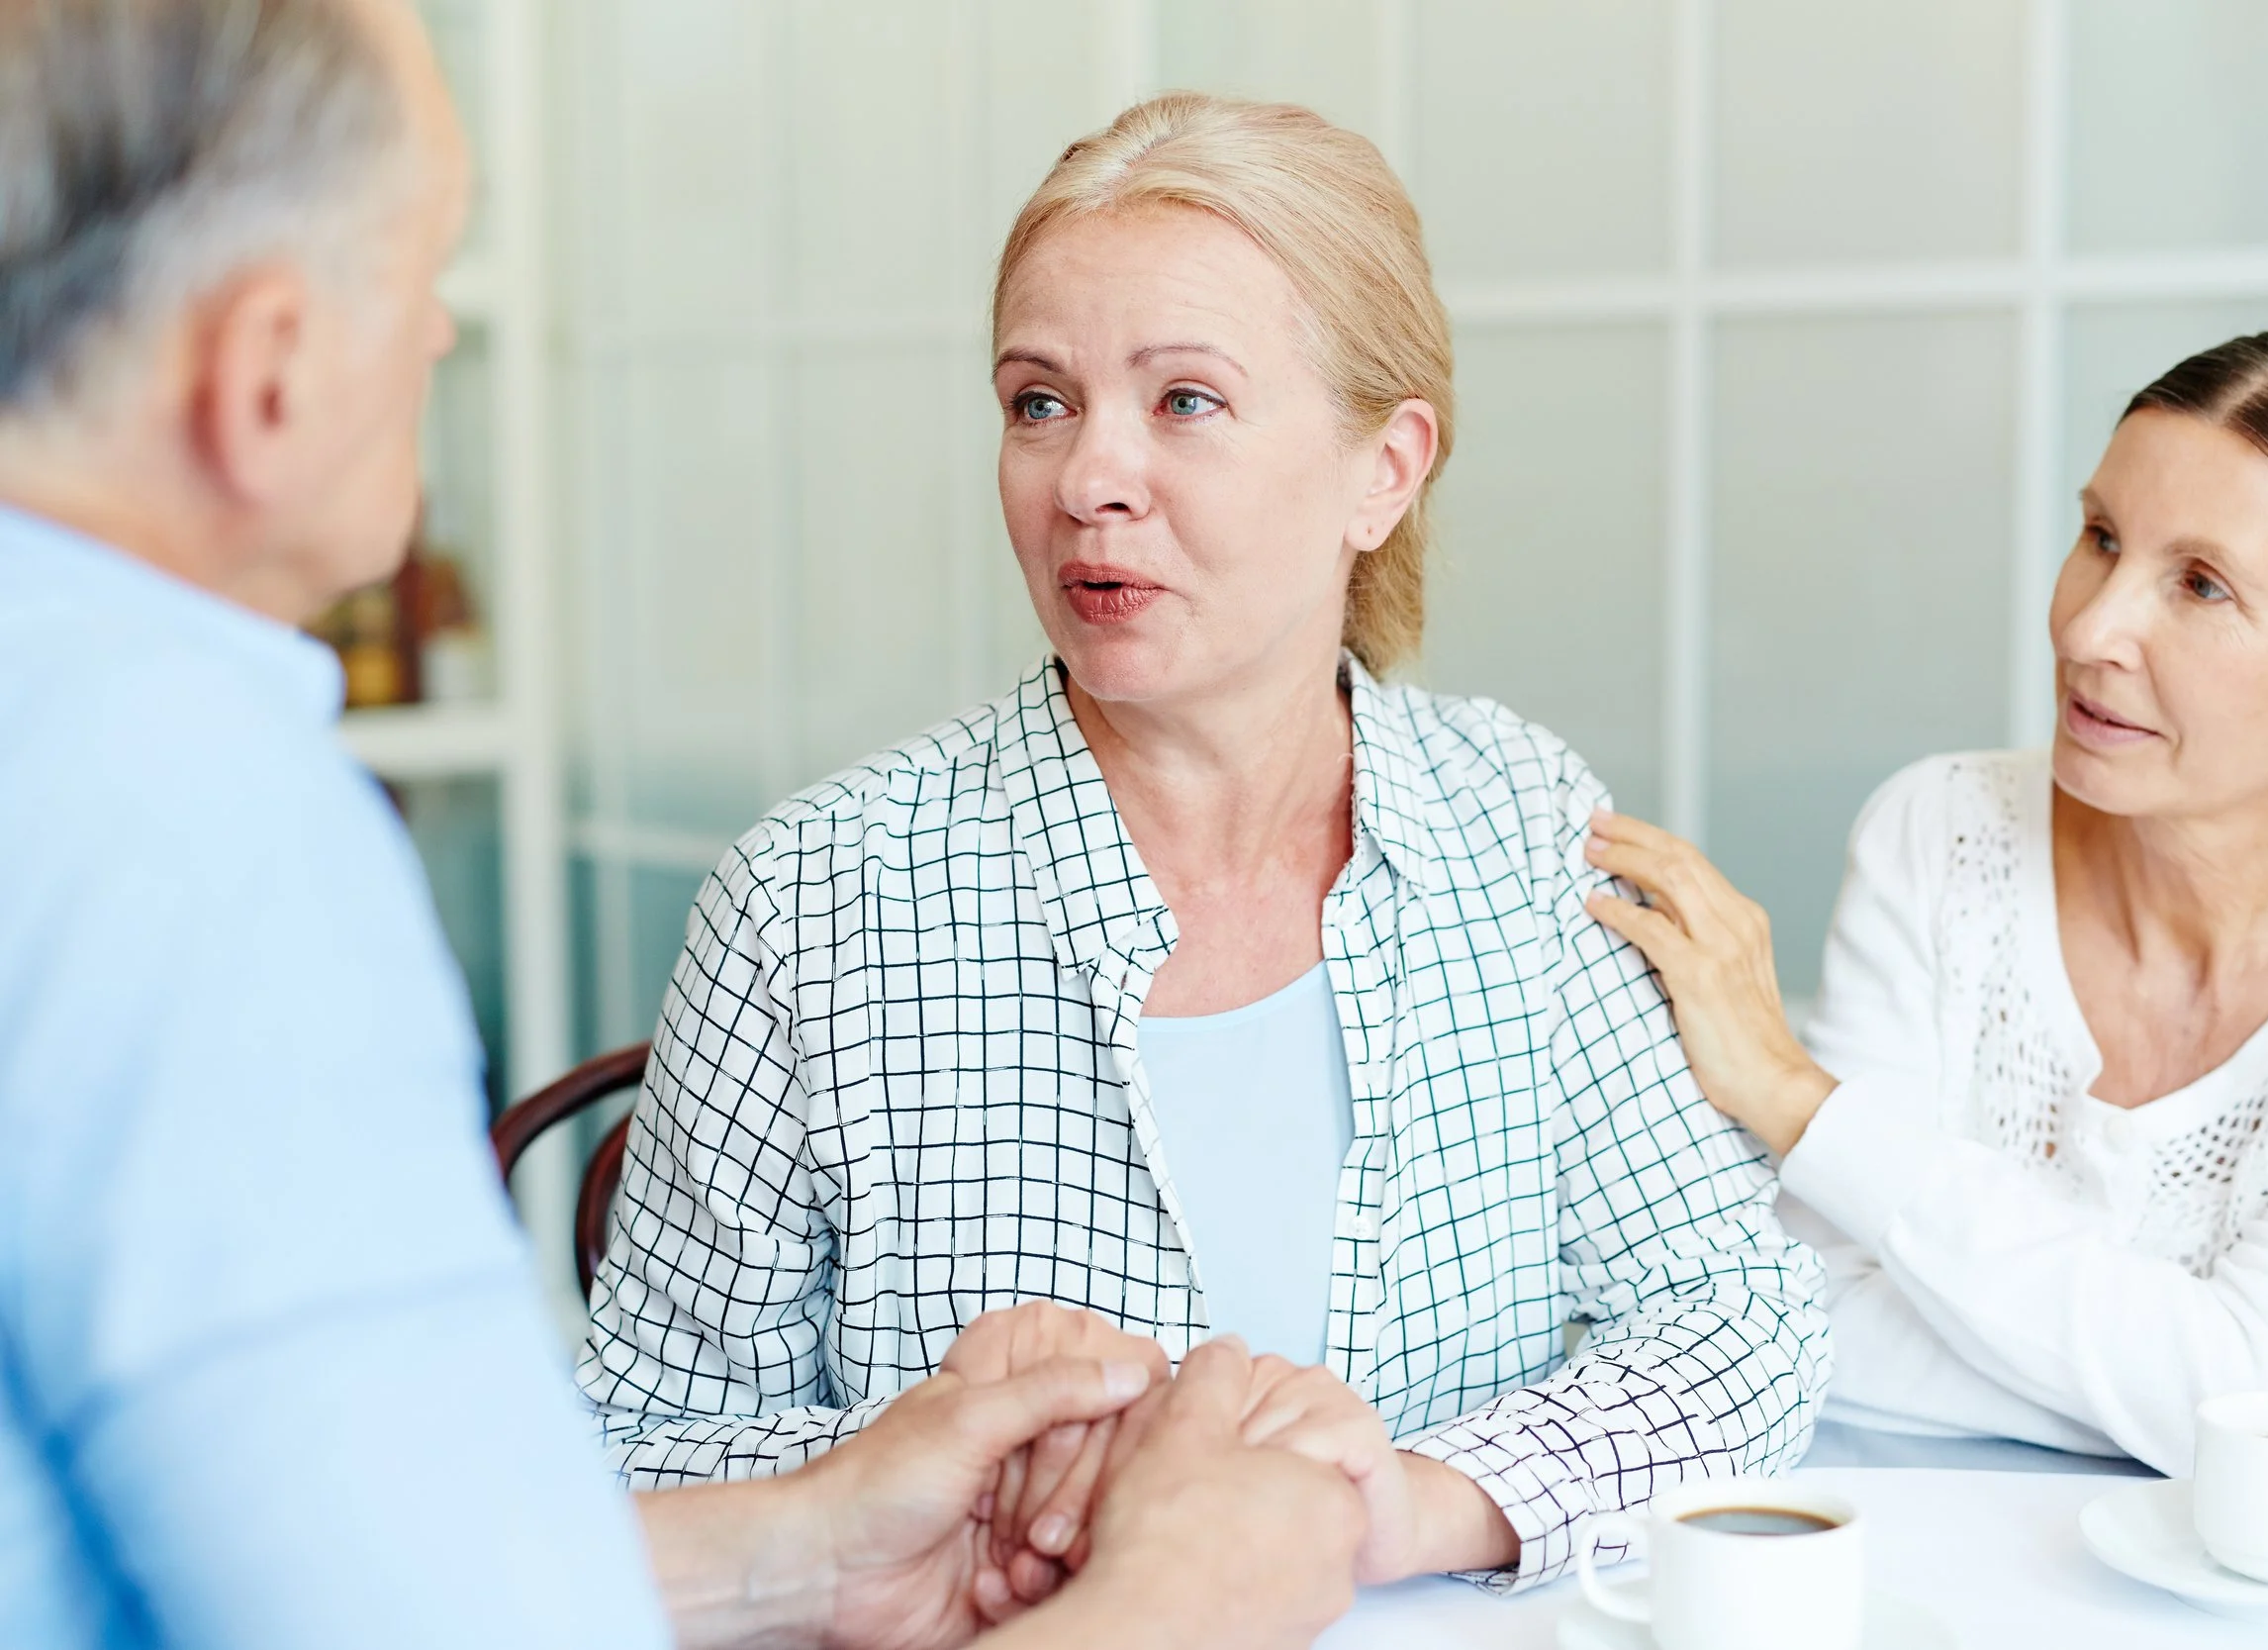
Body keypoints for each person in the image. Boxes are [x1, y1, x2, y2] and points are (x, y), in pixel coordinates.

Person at [0, 4, 1364, 1647]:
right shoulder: (190, 828)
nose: (440, 337)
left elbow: (403, 1561)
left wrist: (801, 1542)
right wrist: (1192, 1597)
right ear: (269, 369)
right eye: (422, 272)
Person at [579, 90, 1828, 1600]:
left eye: (1184, 401)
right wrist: (924, 1471)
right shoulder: (813, 901)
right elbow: (638, 1435)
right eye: (1039, 401)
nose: (1089, 479)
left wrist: (1412, 1506)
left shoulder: (1516, 821)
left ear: (1387, 468)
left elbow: (1738, 1316)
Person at [1585, 331, 2268, 1477]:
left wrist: (1804, 1108)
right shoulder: (1940, 832)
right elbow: (1796, 1322)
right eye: (2100, 536)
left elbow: (2258, 1391)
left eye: (2200, 584)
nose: (2088, 629)